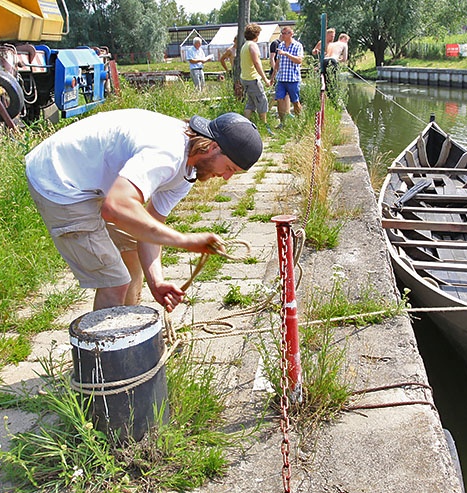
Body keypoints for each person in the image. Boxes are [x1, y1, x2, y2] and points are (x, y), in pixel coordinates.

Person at [25, 109, 263, 312]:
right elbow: (116, 207)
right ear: (212, 147)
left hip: (92, 178)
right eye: (230, 167)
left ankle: (128, 328)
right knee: (114, 281)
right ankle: (105, 360)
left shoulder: (188, 171)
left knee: (130, 245)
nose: (227, 177)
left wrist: (156, 282)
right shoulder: (167, 152)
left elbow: (148, 226)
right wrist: (185, 240)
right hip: (58, 177)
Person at [239, 23, 273, 133]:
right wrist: (265, 79)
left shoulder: (244, 45)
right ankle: (264, 125)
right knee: (262, 100)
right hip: (253, 78)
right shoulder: (252, 45)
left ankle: (245, 125)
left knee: (251, 103)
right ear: (256, 34)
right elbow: (256, 62)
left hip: (245, 78)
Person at [274, 26, 303, 127]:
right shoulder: (280, 45)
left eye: (284, 33)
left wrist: (286, 54)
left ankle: (299, 122)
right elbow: (277, 62)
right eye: (282, 33)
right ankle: (282, 123)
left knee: (295, 101)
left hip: (293, 79)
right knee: (279, 99)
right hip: (281, 79)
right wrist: (273, 76)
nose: (282, 35)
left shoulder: (297, 45)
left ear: (291, 34)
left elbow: (299, 60)